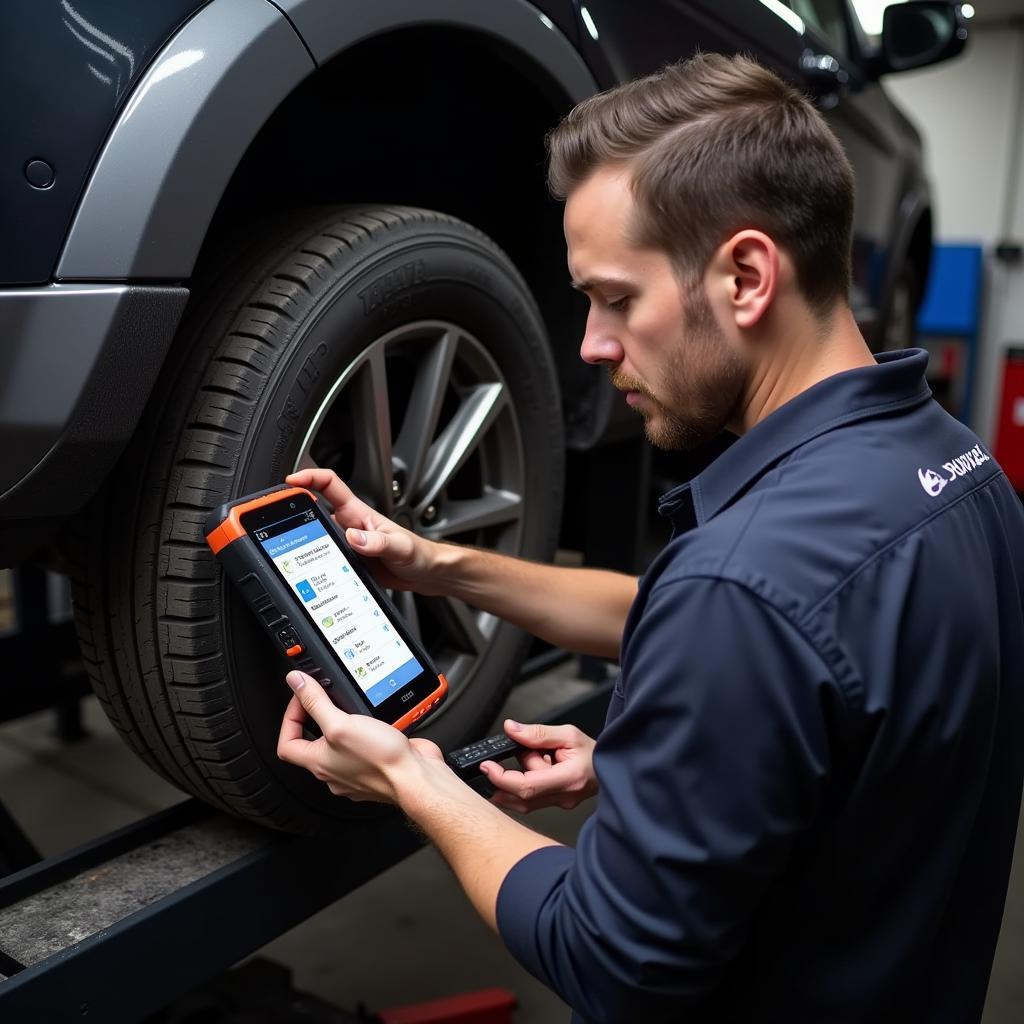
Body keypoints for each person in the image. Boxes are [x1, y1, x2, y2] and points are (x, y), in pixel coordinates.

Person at [276, 53, 1024, 1022]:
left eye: (616, 297)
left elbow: (612, 959)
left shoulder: (746, 585)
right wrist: (434, 563)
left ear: (746, 275)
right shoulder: (953, 468)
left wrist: (416, 782)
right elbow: (782, 661)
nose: (590, 341)